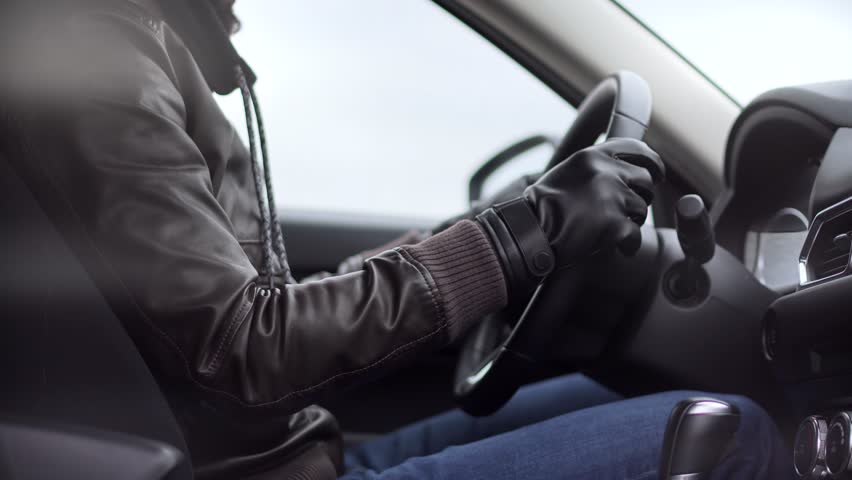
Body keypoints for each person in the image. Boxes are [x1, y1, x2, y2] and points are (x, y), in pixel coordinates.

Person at [0, 0, 791, 478]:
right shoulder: (102, 63)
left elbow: (241, 311)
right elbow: (243, 348)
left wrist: (489, 234)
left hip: (295, 452)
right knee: (734, 433)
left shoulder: (131, 45)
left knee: (638, 390)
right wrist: (525, 232)